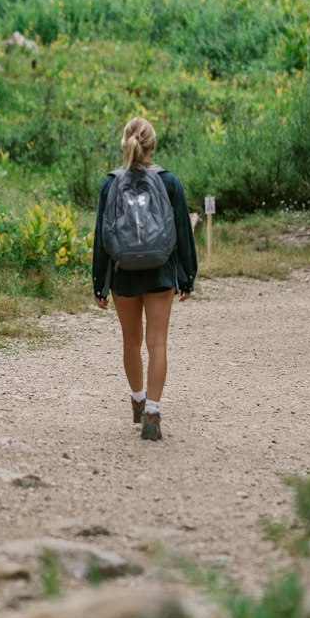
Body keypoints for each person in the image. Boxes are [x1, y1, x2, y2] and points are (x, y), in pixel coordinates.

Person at [92, 117, 197, 441]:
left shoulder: (110, 184)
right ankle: (153, 411)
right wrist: (186, 276)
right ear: (153, 145)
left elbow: (101, 237)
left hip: (124, 273)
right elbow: (182, 233)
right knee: (157, 343)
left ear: (124, 143)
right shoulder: (169, 182)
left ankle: (137, 400)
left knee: (131, 342)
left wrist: (100, 283)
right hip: (160, 271)